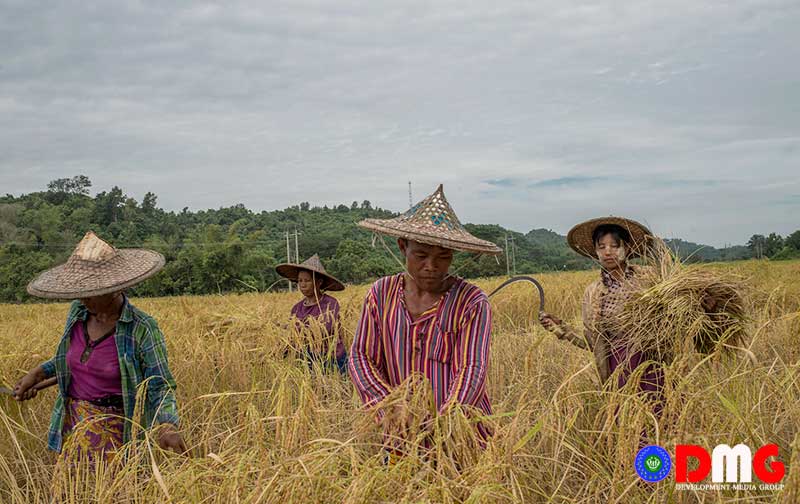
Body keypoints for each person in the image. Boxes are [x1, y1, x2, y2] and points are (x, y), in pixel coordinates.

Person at [349, 184, 502, 444]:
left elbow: (472, 369)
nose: (431, 266)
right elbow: (361, 356)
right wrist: (391, 408)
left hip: (459, 435)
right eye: (420, 255)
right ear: (402, 247)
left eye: (442, 257)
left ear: (453, 255)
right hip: (399, 434)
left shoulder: (471, 302)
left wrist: (443, 422)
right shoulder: (381, 294)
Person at [14, 231, 185, 461]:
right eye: (81, 292)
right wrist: (37, 373)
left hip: (116, 435)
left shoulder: (142, 328)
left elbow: (159, 385)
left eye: (92, 293)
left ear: (115, 288)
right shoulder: (78, 312)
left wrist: (167, 423)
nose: (84, 298)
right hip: (72, 426)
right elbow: (69, 357)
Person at [538, 217, 719, 416]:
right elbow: (593, 342)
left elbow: (680, 309)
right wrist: (561, 329)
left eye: (615, 246)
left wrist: (705, 305)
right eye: (602, 247)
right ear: (595, 252)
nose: (608, 252)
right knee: (628, 424)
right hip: (617, 371)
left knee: (663, 419)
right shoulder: (592, 292)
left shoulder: (651, 278)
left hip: (653, 364)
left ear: (627, 248)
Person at [276, 254, 347, 373]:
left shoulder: (330, 304)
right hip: (307, 359)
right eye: (300, 281)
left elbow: (323, 328)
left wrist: (295, 329)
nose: (302, 285)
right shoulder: (297, 308)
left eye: (307, 280)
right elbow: (292, 336)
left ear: (319, 282)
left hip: (331, 359)